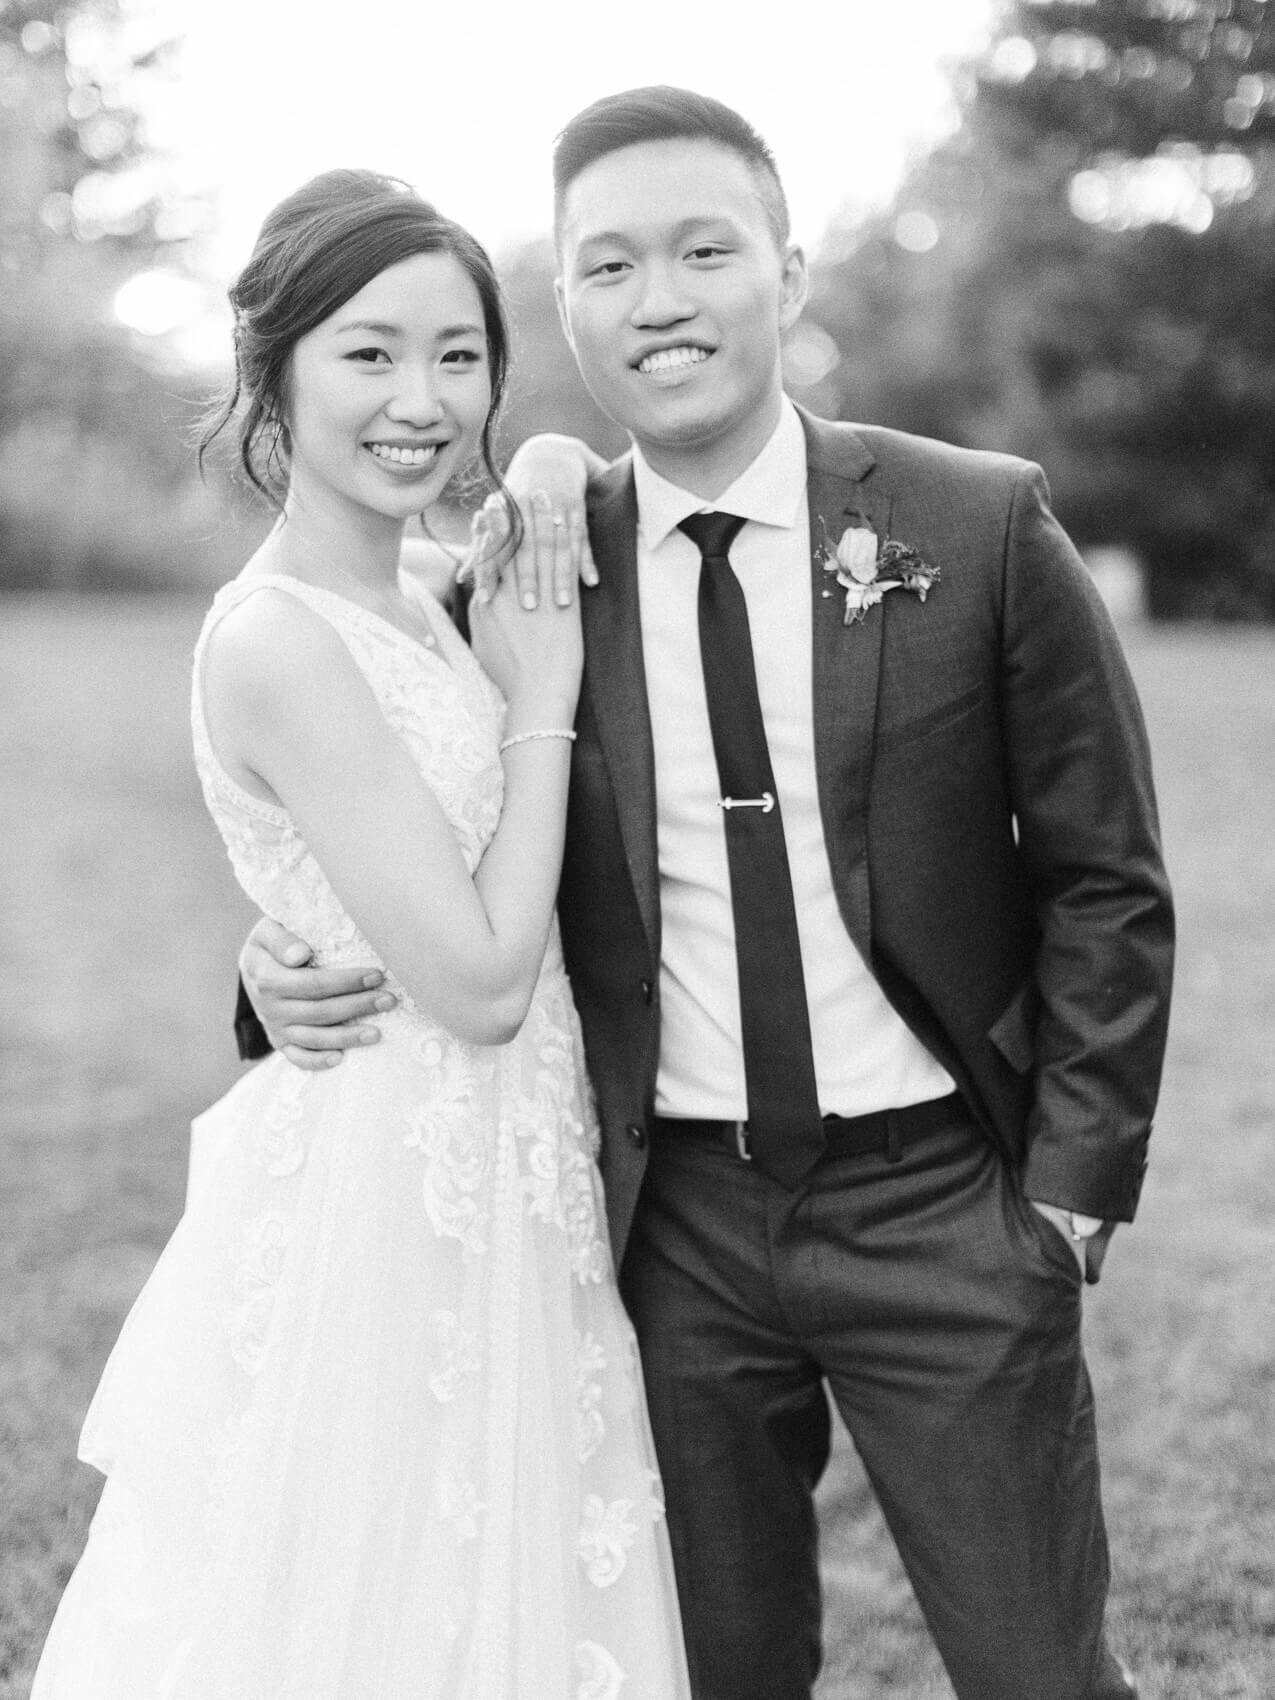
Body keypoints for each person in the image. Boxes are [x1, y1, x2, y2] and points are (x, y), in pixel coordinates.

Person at [239, 91, 1175, 1700]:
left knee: (1040, 1671)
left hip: (944, 1205)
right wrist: (265, 973)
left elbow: (1108, 878)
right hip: (660, 1231)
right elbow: (416, 827)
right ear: (573, 312)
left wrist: (1070, 1195)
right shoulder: (522, 569)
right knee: (707, 1671)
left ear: (789, 277)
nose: (657, 299)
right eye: (607, 267)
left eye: (701, 251)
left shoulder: (976, 521)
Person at [31, 168, 691, 1700]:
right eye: (369, 353)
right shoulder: (277, 640)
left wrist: (527, 450)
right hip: (393, 1183)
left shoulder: (415, 582)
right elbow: (469, 978)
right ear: (275, 375)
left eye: (458, 355)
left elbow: (546, 480)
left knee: (501, 1583)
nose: (421, 399)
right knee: (374, 1592)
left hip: (511, 1173)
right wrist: (539, 705)